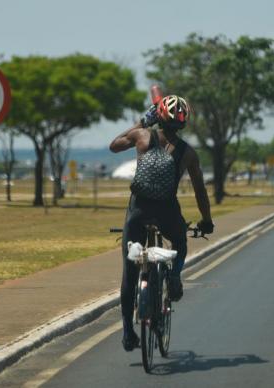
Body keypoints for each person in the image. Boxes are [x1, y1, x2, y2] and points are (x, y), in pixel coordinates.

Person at [109, 95, 214, 351]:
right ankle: (175, 275)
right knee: (179, 240)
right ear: (183, 122)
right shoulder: (188, 153)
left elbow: (114, 146)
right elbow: (200, 190)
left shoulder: (142, 136)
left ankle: (127, 332)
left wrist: (142, 121)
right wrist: (206, 221)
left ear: (159, 117)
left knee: (129, 270)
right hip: (167, 211)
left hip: (139, 210)